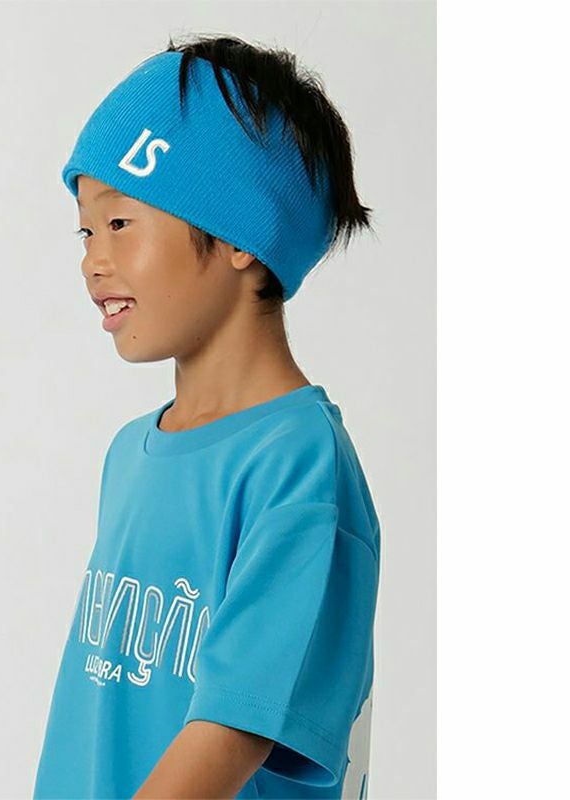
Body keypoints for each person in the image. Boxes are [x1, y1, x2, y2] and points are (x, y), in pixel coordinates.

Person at [33, 33, 381, 800]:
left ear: (238, 236)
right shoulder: (131, 453)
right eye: (85, 230)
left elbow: (233, 728)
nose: (92, 260)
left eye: (119, 224)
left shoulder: (298, 463)